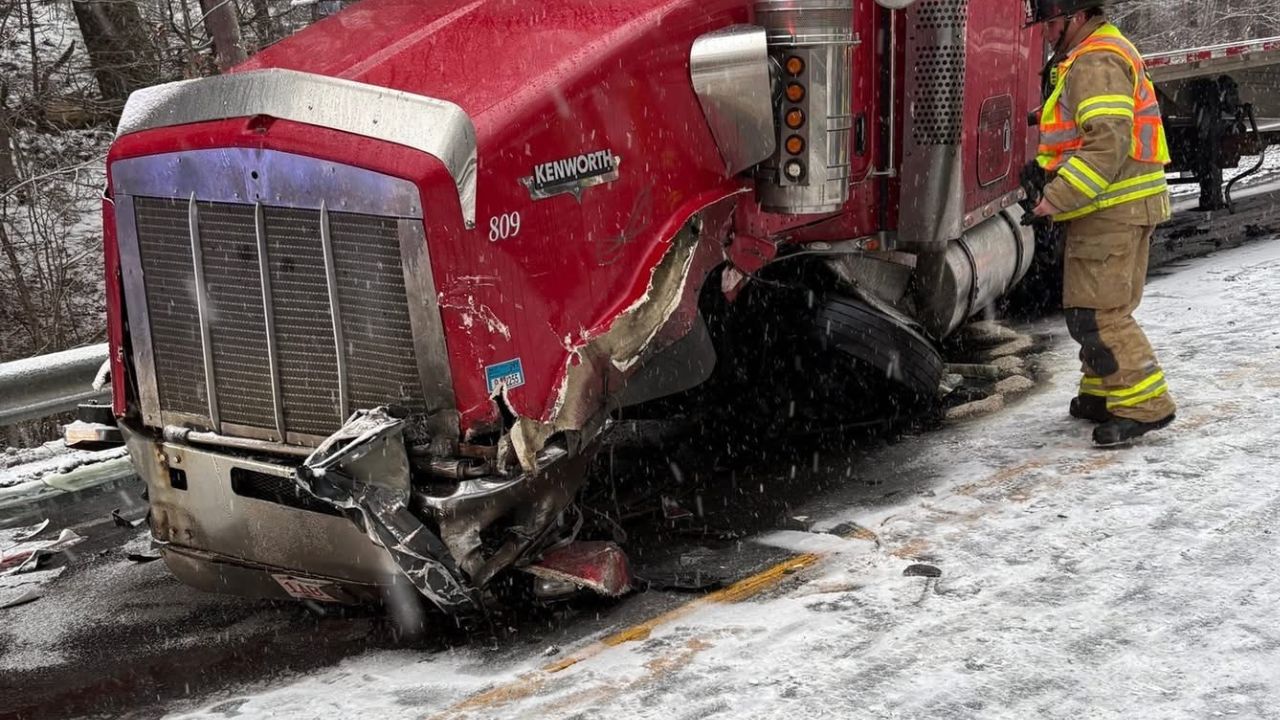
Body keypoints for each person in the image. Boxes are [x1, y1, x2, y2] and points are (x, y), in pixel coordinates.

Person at [1029, 0, 1176, 447]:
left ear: (1075, 17)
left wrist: (1050, 199)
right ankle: (1102, 393)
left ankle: (1144, 407)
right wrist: (1046, 170)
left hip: (1113, 207)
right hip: (1117, 206)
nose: (1045, 32)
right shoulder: (1093, 52)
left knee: (1098, 314)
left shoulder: (1096, 60)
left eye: (1051, 22)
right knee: (1093, 307)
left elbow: (1104, 146)